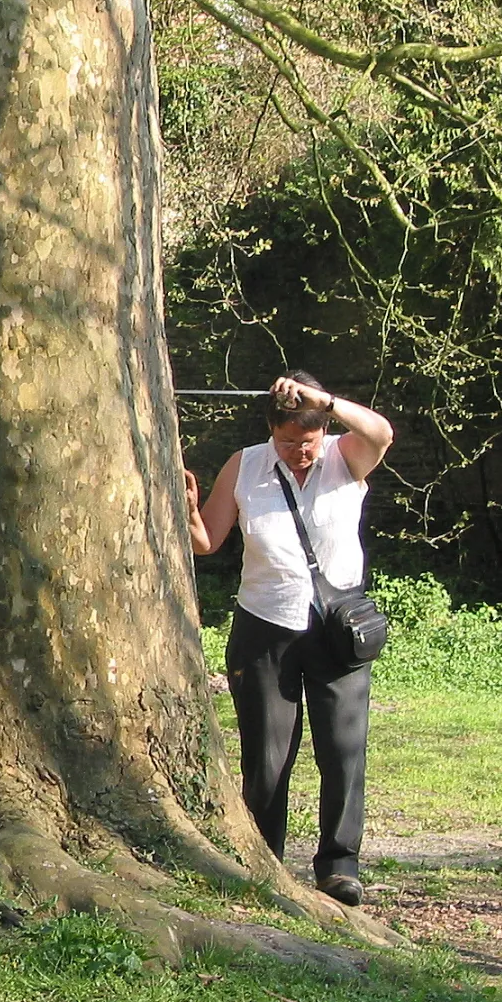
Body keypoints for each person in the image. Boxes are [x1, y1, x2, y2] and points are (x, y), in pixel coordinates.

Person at [183, 372, 394, 906]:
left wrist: (327, 400)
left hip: (336, 627)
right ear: (271, 431)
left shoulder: (347, 457)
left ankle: (338, 864)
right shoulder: (246, 465)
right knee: (267, 755)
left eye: (307, 442)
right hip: (264, 625)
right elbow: (208, 541)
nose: (298, 452)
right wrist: (186, 513)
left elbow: (381, 432)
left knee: (342, 750)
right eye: (287, 442)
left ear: (323, 430)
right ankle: (265, 858)